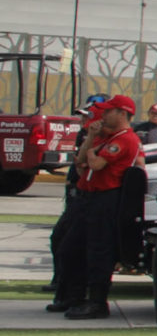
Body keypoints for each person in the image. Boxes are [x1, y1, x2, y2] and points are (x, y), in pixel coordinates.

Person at [60, 96, 143, 319]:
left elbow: (94, 164)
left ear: (122, 113)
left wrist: (89, 154)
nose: (104, 116)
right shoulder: (107, 138)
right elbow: (80, 163)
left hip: (106, 198)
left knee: (99, 252)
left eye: (109, 112)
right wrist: (91, 142)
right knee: (71, 248)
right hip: (89, 196)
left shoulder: (125, 139)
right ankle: (74, 296)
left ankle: (97, 302)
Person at [45, 100, 103, 312]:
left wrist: (90, 143)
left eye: (88, 116)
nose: (84, 121)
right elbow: (79, 167)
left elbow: (88, 165)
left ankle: (77, 296)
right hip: (79, 194)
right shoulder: (87, 136)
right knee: (61, 242)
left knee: (71, 248)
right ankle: (64, 290)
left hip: (91, 199)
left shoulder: (105, 140)